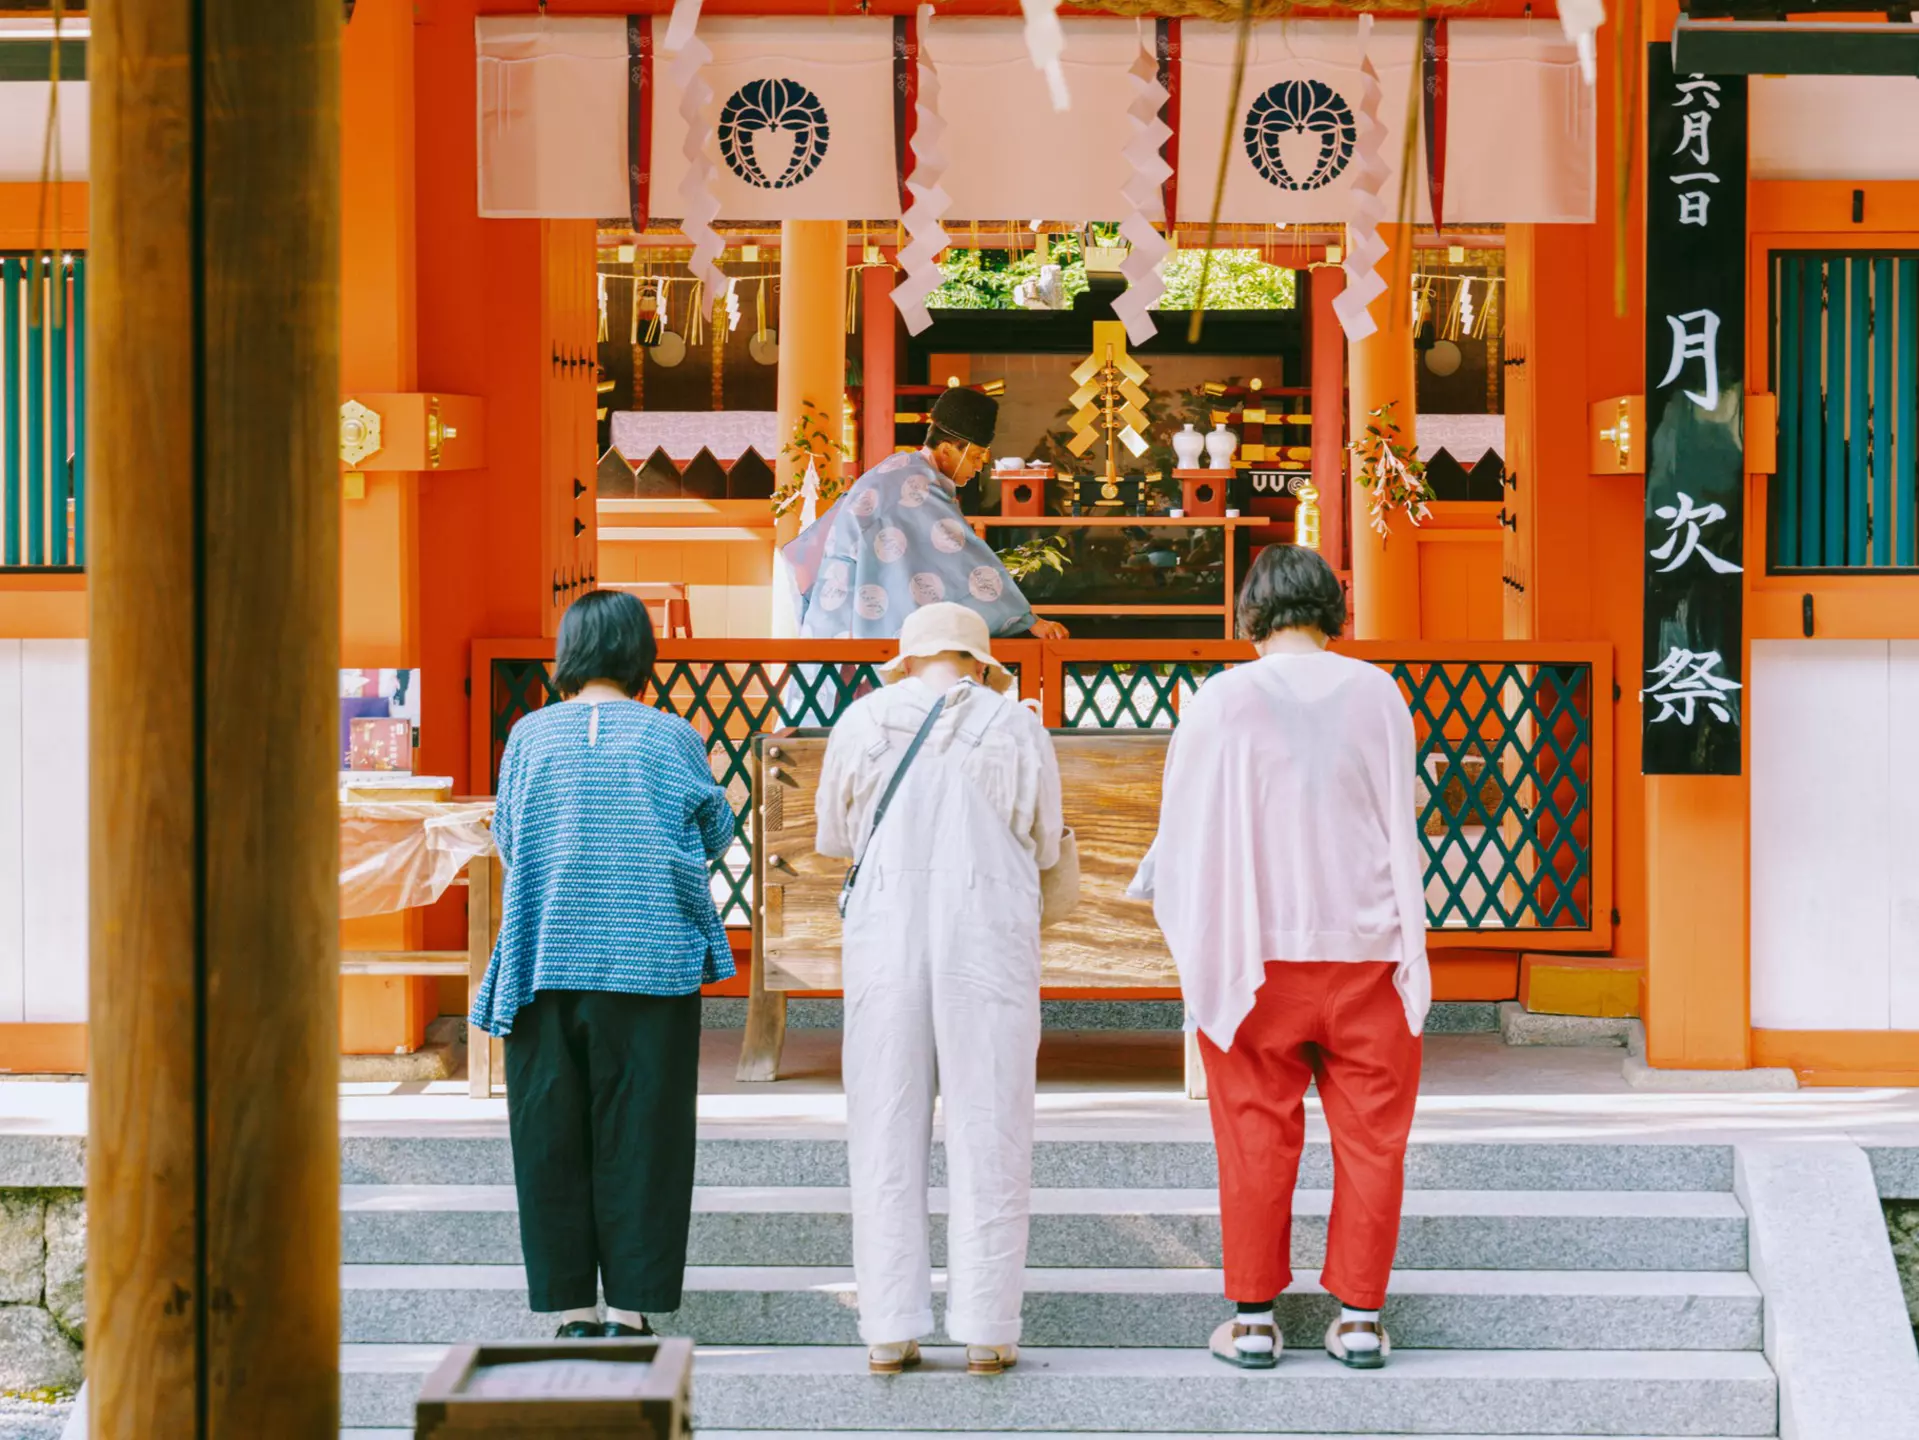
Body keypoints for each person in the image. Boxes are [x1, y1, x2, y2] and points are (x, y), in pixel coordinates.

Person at [1130, 544, 1431, 1372]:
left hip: (1253, 957)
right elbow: (1403, 803)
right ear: (1331, 611)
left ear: (1251, 610)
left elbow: (1183, 826)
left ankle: (1255, 1317)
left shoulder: (1223, 699)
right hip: (1369, 949)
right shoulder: (1377, 693)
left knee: (1255, 1134)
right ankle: (1360, 1318)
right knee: (1373, 1140)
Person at [470, 589, 735, 1340]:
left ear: (570, 651)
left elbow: (510, 838)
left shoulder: (528, 735)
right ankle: (630, 1308)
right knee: (645, 1135)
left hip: (544, 958)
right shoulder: (670, 735)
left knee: (550, 1135)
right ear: (638, 654)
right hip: (650, 965)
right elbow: (716, 829)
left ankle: (570, 1311)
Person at [814, 601, 1065, 1377]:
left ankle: (890, 1326)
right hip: (988, 936)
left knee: (884, 1124)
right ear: (979, 659)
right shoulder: (1018, 725)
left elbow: (832, 838)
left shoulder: (860, 721)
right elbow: (1046, 839)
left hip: (886, 937)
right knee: (992, 1122)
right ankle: (989, 1328)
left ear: (909, 657)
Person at [784, 385, 1070, 645]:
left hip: (838, 611)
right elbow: (961, 559)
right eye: (975, 457)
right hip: (854, 616)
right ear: (946, 451)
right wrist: (1028, 620)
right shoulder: (917, 486)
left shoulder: (900, 468)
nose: (979, 468)